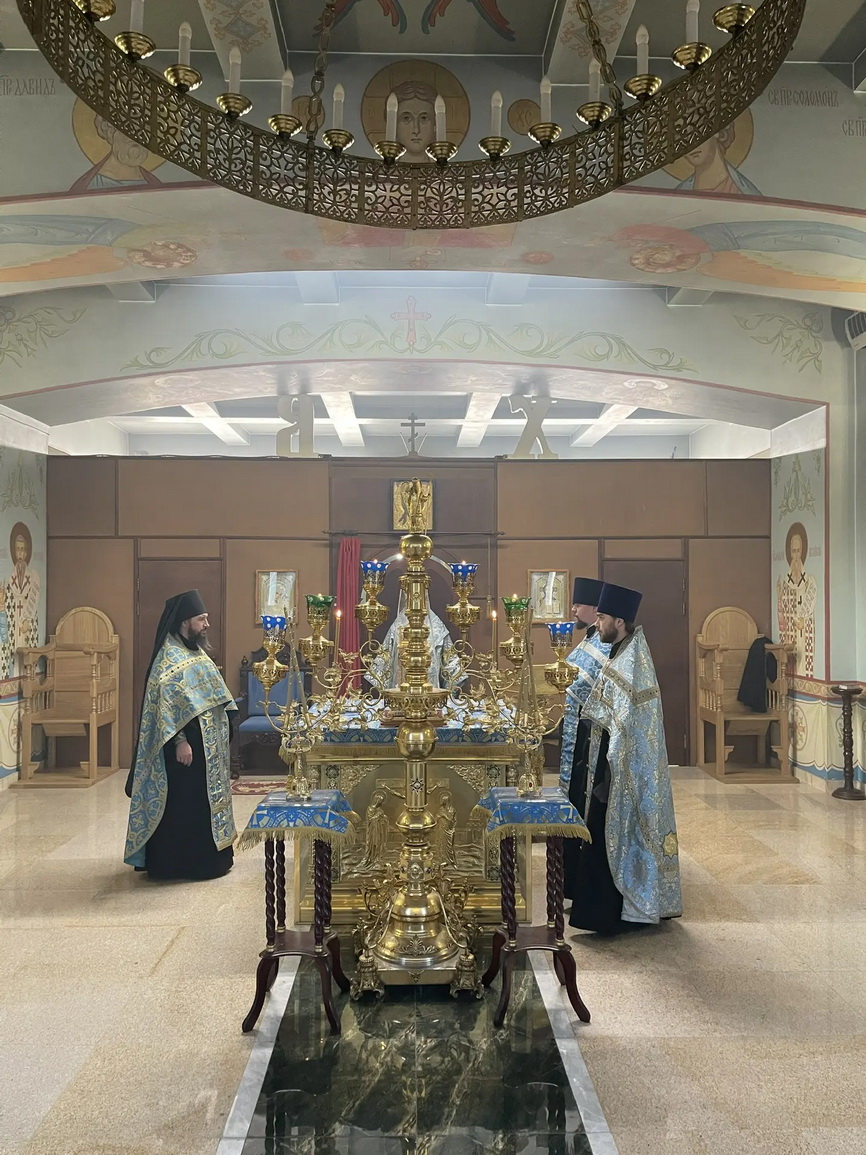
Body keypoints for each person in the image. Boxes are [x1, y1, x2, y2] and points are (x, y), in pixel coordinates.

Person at [565, 582, 681, 934]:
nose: (597, 624)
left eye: (601, 618)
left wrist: (610, 765)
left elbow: (627, 718)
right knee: (602, 836)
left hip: (623, 768)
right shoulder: (622, 650)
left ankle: (620, 913)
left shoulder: (632, 661)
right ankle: (602, 911)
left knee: (616, 835)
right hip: (608, 762)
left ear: (619, 621)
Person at [124, 590, 237, 880]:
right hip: (186, 751)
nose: (206, 624)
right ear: (185, 621)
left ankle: (213, 859)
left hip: (208, 747)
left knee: (203, 805)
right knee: (185, 806)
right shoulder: (167, 658)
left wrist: (228, 717)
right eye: (202, 619)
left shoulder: (195, 652)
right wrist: (181, 741)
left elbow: (214, 692)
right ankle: (181, 865)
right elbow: (165, 708)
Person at [366, 589, 463, 690]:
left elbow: (451, 668)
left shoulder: (437, 626)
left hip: (431, 693)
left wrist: (451, 691)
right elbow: (384, 663)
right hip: (400, 692)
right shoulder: (397, 625)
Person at [0, 522, 40, 677]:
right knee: (14, 657)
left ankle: (28, 680)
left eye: (23, 550)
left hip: (26, 624)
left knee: (26, 656)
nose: (20, 554)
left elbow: (34, 598)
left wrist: (27, 620)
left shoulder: (34, 576)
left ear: (27, 551)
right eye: (18, 550)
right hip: (14, 622)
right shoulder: (9, 578)